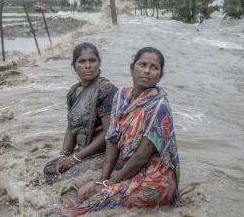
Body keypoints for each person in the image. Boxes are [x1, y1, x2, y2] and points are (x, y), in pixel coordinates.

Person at [49, 47, 182, 215]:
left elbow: (141, 157)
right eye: (142, 65)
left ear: (160, 75)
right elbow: (112, 139)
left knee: (93, 202)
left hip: (155, 180)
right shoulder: (122, 95)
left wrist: (109, 185)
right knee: (84, 191)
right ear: (132, 68)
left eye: (154, 67)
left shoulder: (159, 107)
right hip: (131, 173)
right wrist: (103, 179)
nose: (147, 71)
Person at [30, 42, 119, 186]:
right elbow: (71, 127)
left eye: (92, 61)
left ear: (99, 64)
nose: (88, 65)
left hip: (104, 152)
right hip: (84, 151)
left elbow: (109, 133)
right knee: (50, 169)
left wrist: (76, 158)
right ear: (74, 66)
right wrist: (63, 155)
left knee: (67, 177)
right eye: (82, 61)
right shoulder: (73, 92)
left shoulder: (106, 90)